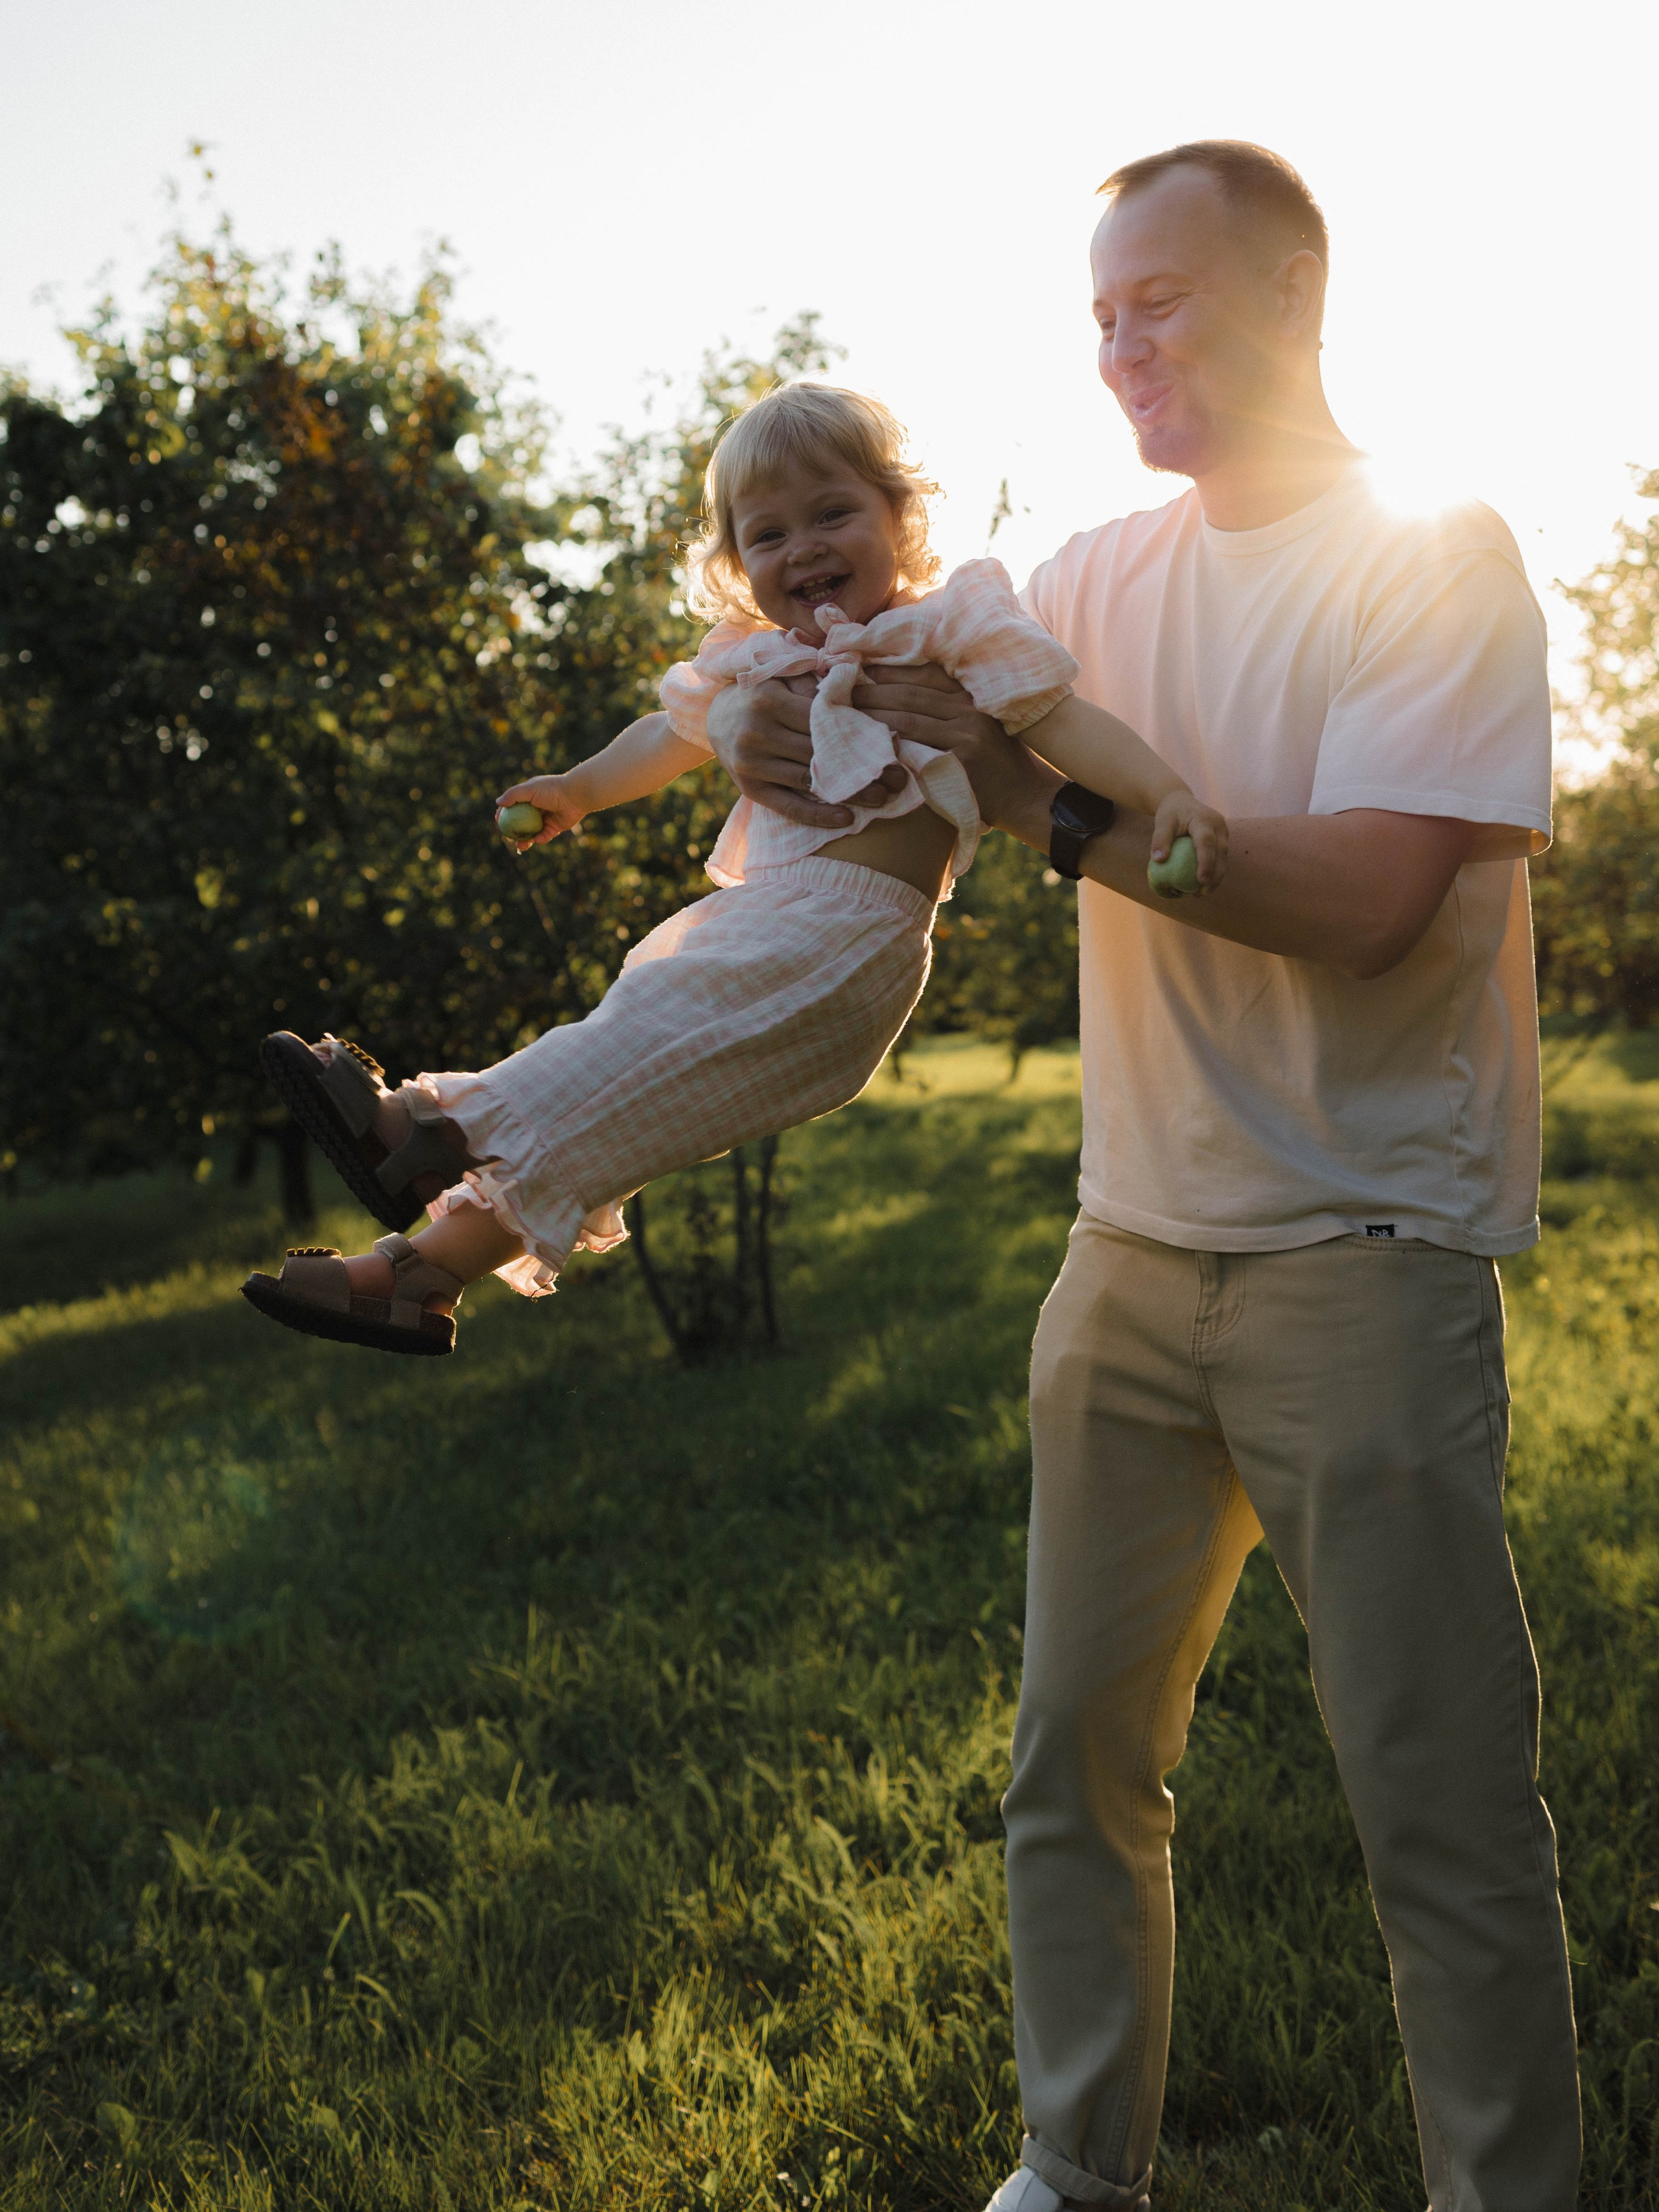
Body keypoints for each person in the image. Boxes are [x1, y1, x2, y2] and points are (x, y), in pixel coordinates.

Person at [703, 144, 1577, 2212]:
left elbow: (1368, 905)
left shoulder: (1434, 557)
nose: (1120, 350)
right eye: (1100, 312)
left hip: (1367, 1252)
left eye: (1160, 304)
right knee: (1073, 1768)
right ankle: (1077, 2170)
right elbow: (882, 700)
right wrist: (774, 732)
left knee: (1438, 1800)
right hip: (1126, 1252)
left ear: (1292, 293)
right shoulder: (1088, 572)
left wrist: (1046, 804)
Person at [241, 382, 1225, 1355]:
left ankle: (420, 1123)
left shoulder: (948, 630)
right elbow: (665, 739)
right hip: (773, 924)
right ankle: (418, 1277)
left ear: (901, 516)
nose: (803, 548)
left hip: (849, 937)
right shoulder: (752, 664)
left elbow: (1062, 721)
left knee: (619, 1054)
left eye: (834, 513)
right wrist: (581, 790)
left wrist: (1165, 790)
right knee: (615, 1104)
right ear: (736, 562)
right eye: (768, 534)